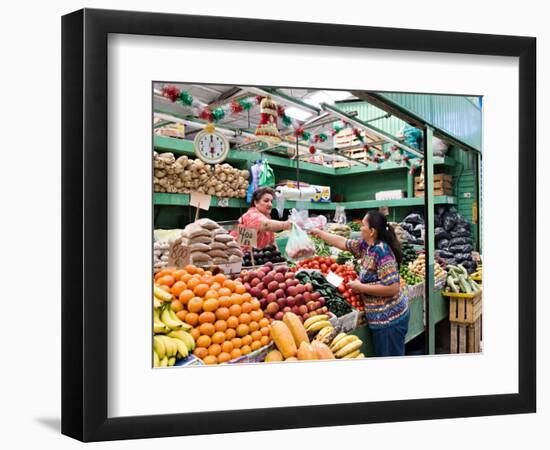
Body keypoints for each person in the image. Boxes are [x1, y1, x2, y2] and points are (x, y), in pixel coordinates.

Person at [310, 210, 409, 357]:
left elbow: (393, 288)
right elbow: (343, 243)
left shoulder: (382, 252)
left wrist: (360, 287)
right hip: (379, 318)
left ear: (372, 231)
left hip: (390, 320)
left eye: (363, 225)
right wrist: (320, 233)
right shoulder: (366, 245)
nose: (360, 228)